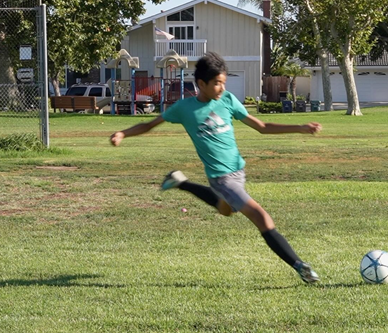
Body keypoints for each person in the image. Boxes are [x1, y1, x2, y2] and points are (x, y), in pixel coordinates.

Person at [108, 52, 323, 284]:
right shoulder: (184, 108)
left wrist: (300, 127)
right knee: (262, 218)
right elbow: (149, 125)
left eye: (224, 83)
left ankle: (181, 182)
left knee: (226, 210)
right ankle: (301, 266)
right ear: (201, 84)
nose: (221, 88)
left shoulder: (228, 100)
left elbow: (261, 126)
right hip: (222, 179)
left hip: (238, 172)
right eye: (217, 83)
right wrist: (123, 133)